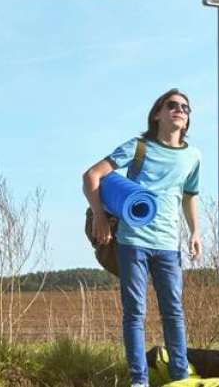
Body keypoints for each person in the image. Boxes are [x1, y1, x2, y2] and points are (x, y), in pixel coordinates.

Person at [83, 88, 202, 387]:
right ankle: (139, 381)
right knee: (135, 311)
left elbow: (189, 196)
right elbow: (92, 175)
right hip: (133, 240)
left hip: (168, 244)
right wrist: (99, 215)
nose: (180, 110)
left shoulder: (193, 156)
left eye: (185, 108)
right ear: (157, 114)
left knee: (173, 311)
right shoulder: (139, 147)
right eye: (172, 105)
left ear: (187, 121)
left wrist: (195, 231)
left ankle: (179, 377)